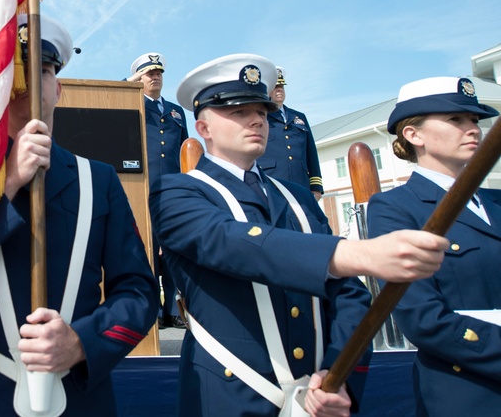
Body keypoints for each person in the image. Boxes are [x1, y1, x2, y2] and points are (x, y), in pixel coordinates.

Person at [149, 54, 448, 417]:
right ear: (204, 128)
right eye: (239, 111)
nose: (257, 119)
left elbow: (350, 297)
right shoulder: (177, 192)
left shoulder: (298, 197)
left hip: (319, 397)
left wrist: (338, 377)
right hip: (230, 399)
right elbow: (233, 243)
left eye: (261, 111)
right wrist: (356, 254)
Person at [0, 16, 159, 416]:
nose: (26, 83)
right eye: (12, 70)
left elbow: (139, 293)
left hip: (77, 395)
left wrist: (83, 342)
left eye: (40, 69)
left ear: (58, 88)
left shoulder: (99, 180)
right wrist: (8, 183)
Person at [366, 77, 501, 417]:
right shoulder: (396, 208)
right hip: (468, 393)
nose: (472, 128)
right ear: (414, 135)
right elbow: (423, 318)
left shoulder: (498, 203)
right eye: (456, 120)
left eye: (474, 120)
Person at [128, 52, 189, 329]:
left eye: (159, 73)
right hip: (143, 190)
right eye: (149, 73)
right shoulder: (131, 103)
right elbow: (110, 100)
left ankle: (172, 309)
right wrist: (129, 84)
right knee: (148, 251)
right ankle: (152, 309)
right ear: (138, 78)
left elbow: (187, 151)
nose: (156, 77)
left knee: (174, 250)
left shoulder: (177, 112)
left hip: (174, 192)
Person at [259, 68, 324, 199]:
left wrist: (316, 187)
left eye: (282, 86)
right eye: (275, 87)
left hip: (302, 185)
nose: (279, 90)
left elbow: (311, 153)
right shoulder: (261, 116)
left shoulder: (299, 117)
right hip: (272, 185)